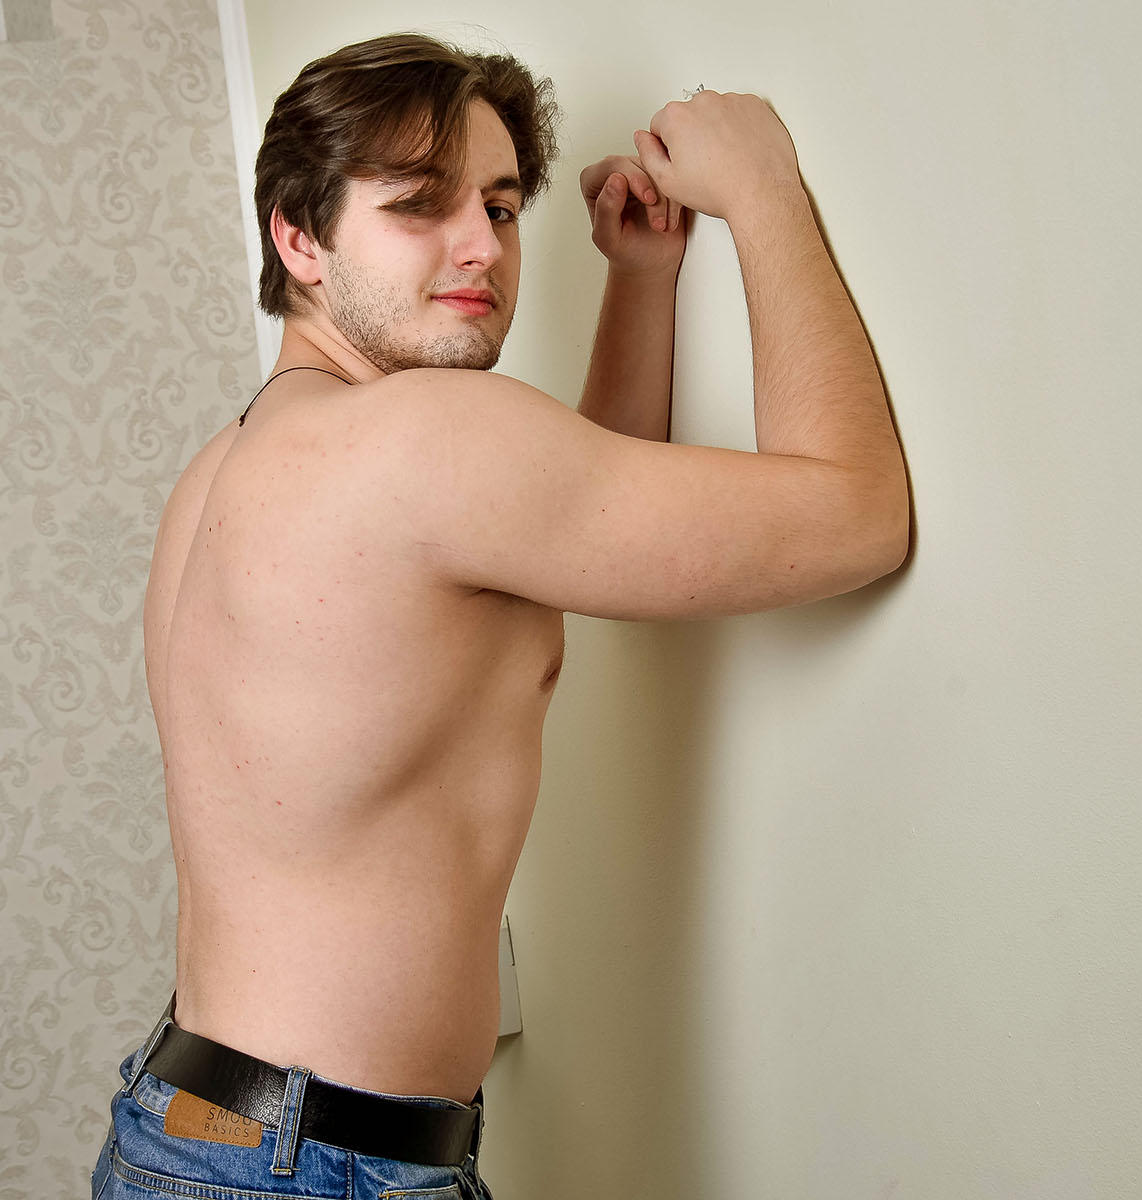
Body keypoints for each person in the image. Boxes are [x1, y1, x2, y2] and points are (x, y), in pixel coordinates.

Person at [89, 29, 908, 1200]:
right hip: (312, 1169)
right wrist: (765, 189)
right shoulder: (424, 441)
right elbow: (857, 514)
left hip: (191, 1132)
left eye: (502, 205)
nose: (480, 243)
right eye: (419, 204)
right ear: (298, 238)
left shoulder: (226, 470)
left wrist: (639, 280)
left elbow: (581, 539)